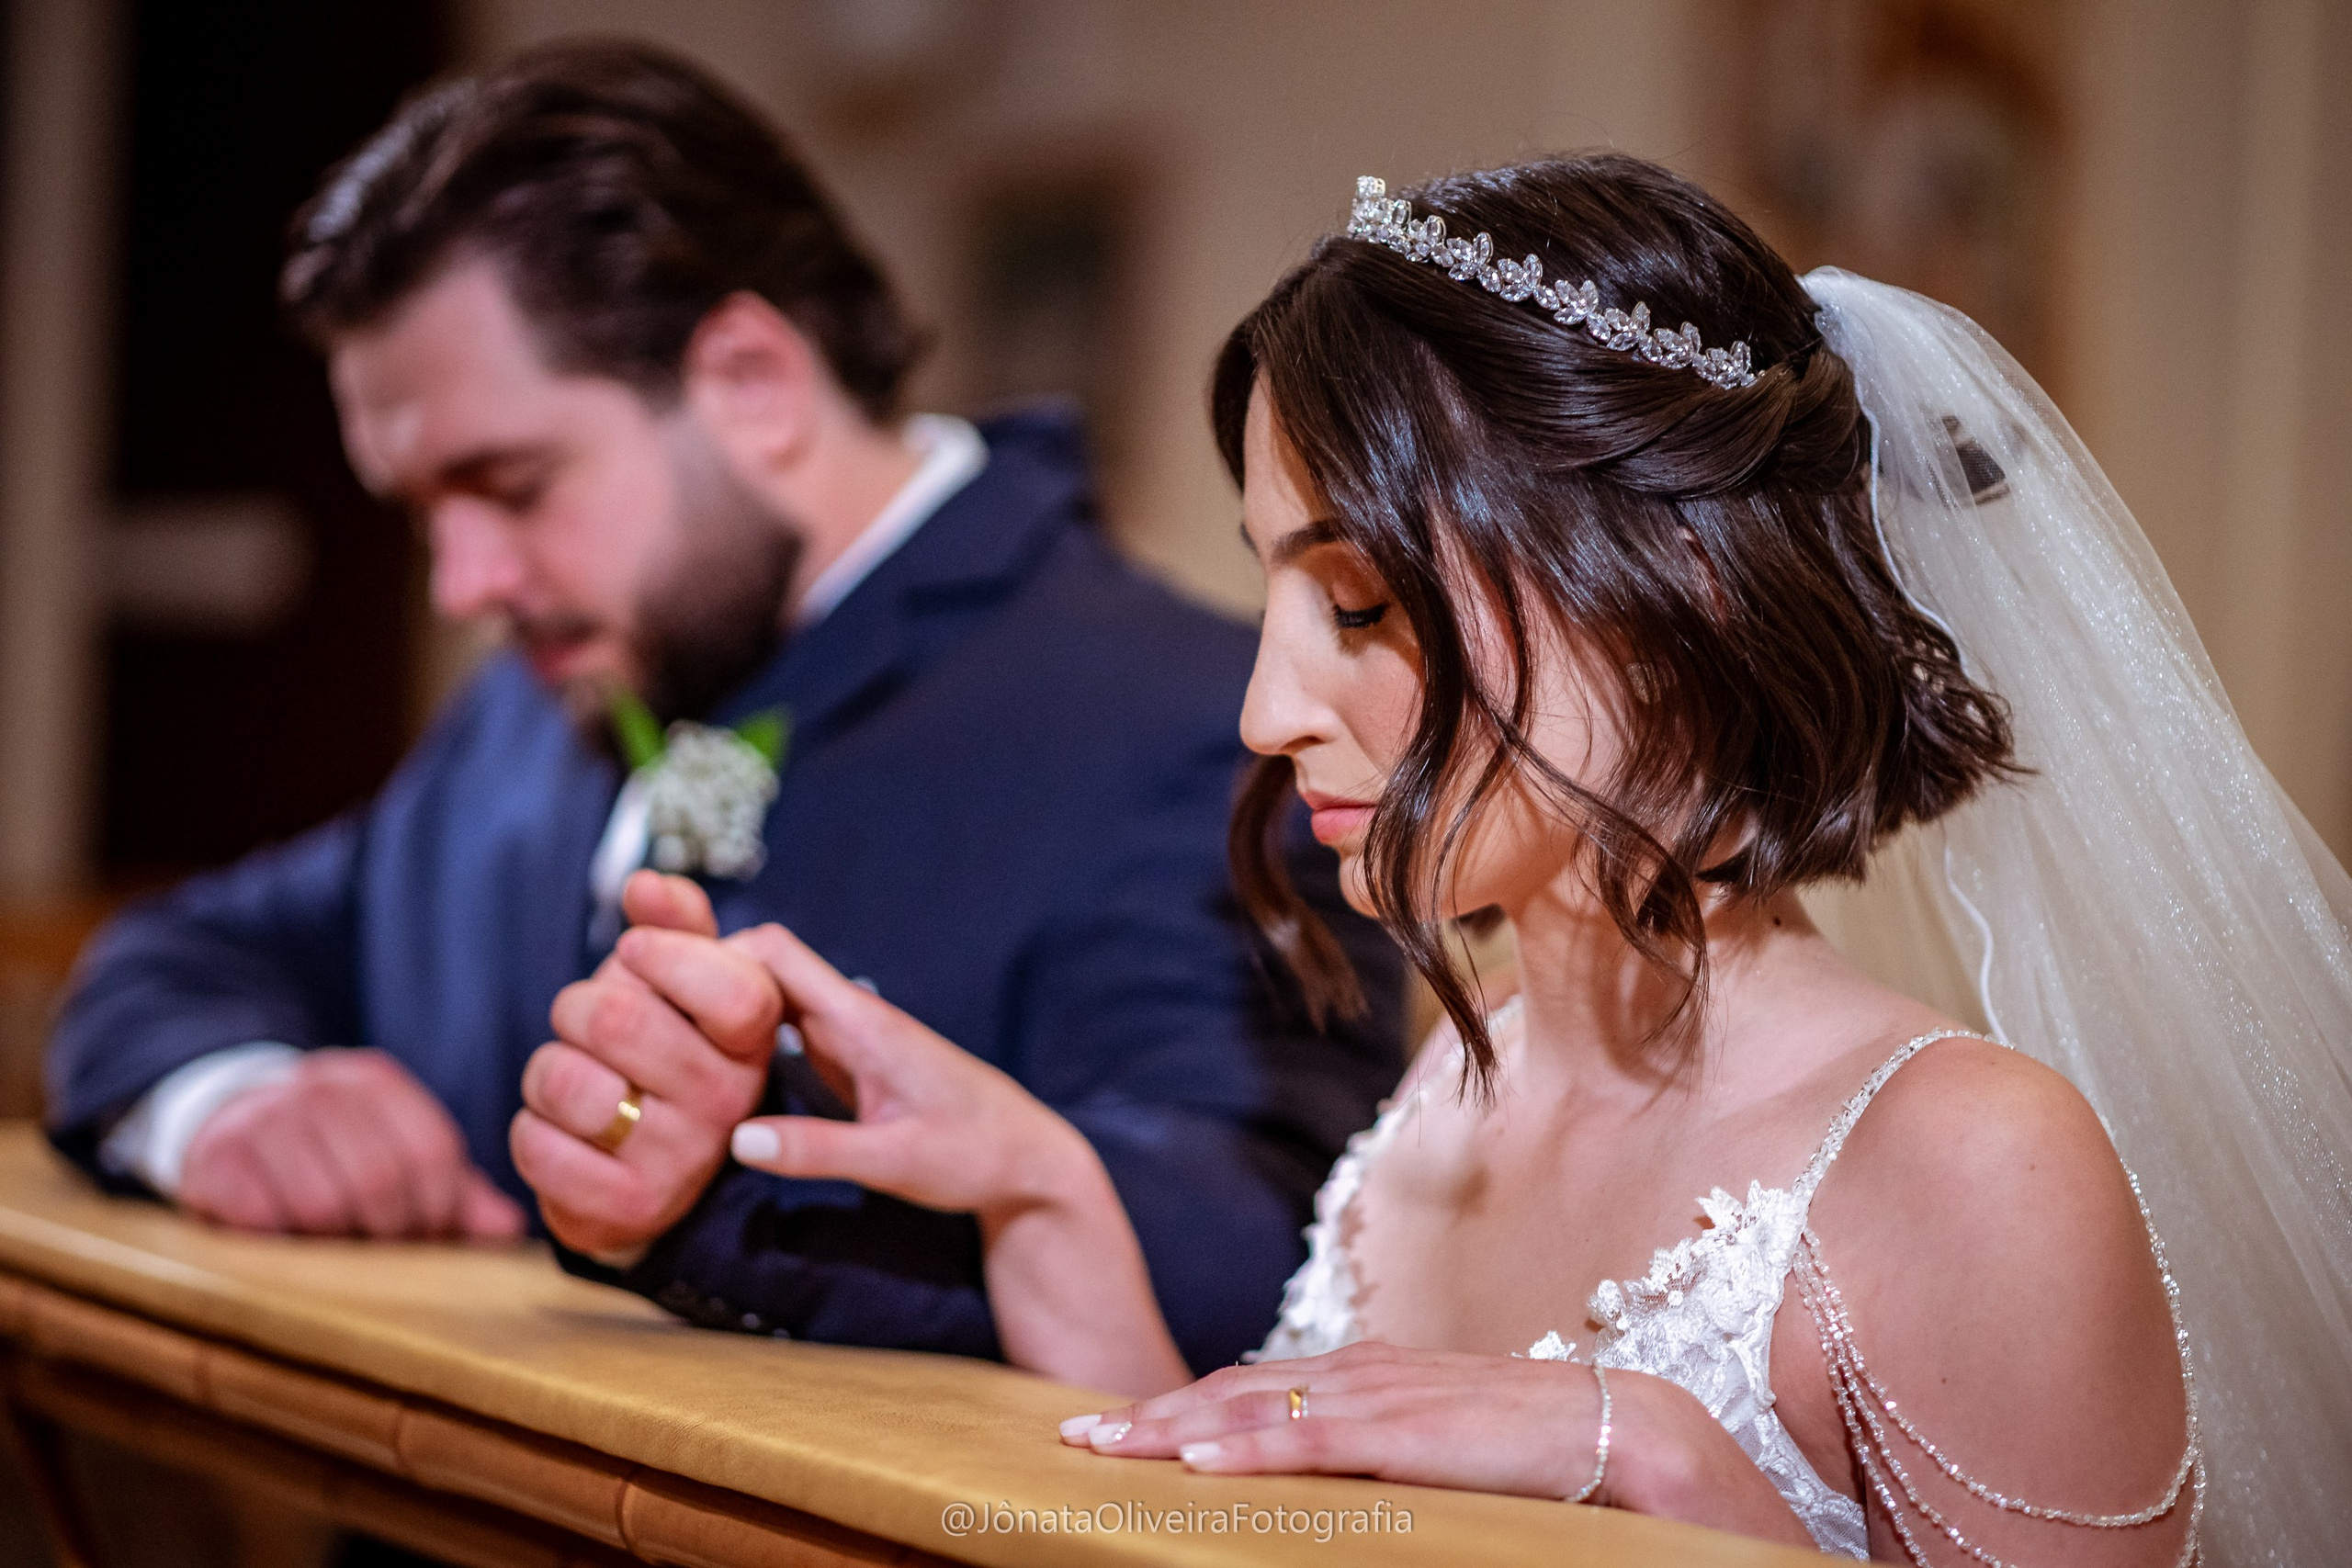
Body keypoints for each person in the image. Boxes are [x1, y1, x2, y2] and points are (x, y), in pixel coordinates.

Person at [585, 154, 2352, 1563]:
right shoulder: (1447, 1071)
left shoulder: (1972, 1170)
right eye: (1273, 591)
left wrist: (1659, 1465)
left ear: (1685, 593)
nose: (1269, 705)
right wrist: (1033, 1185)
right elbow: (1271, 1529)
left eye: (1358, 602)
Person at [42, 39, 1404, 1374]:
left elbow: (1260, 1247)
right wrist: (229, 1105)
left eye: (510, 487)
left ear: (750, 381)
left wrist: (722, 1198)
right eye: (423, 515)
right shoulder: (542, 700)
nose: (464, 582)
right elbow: (176, 958)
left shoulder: (1195, 725)